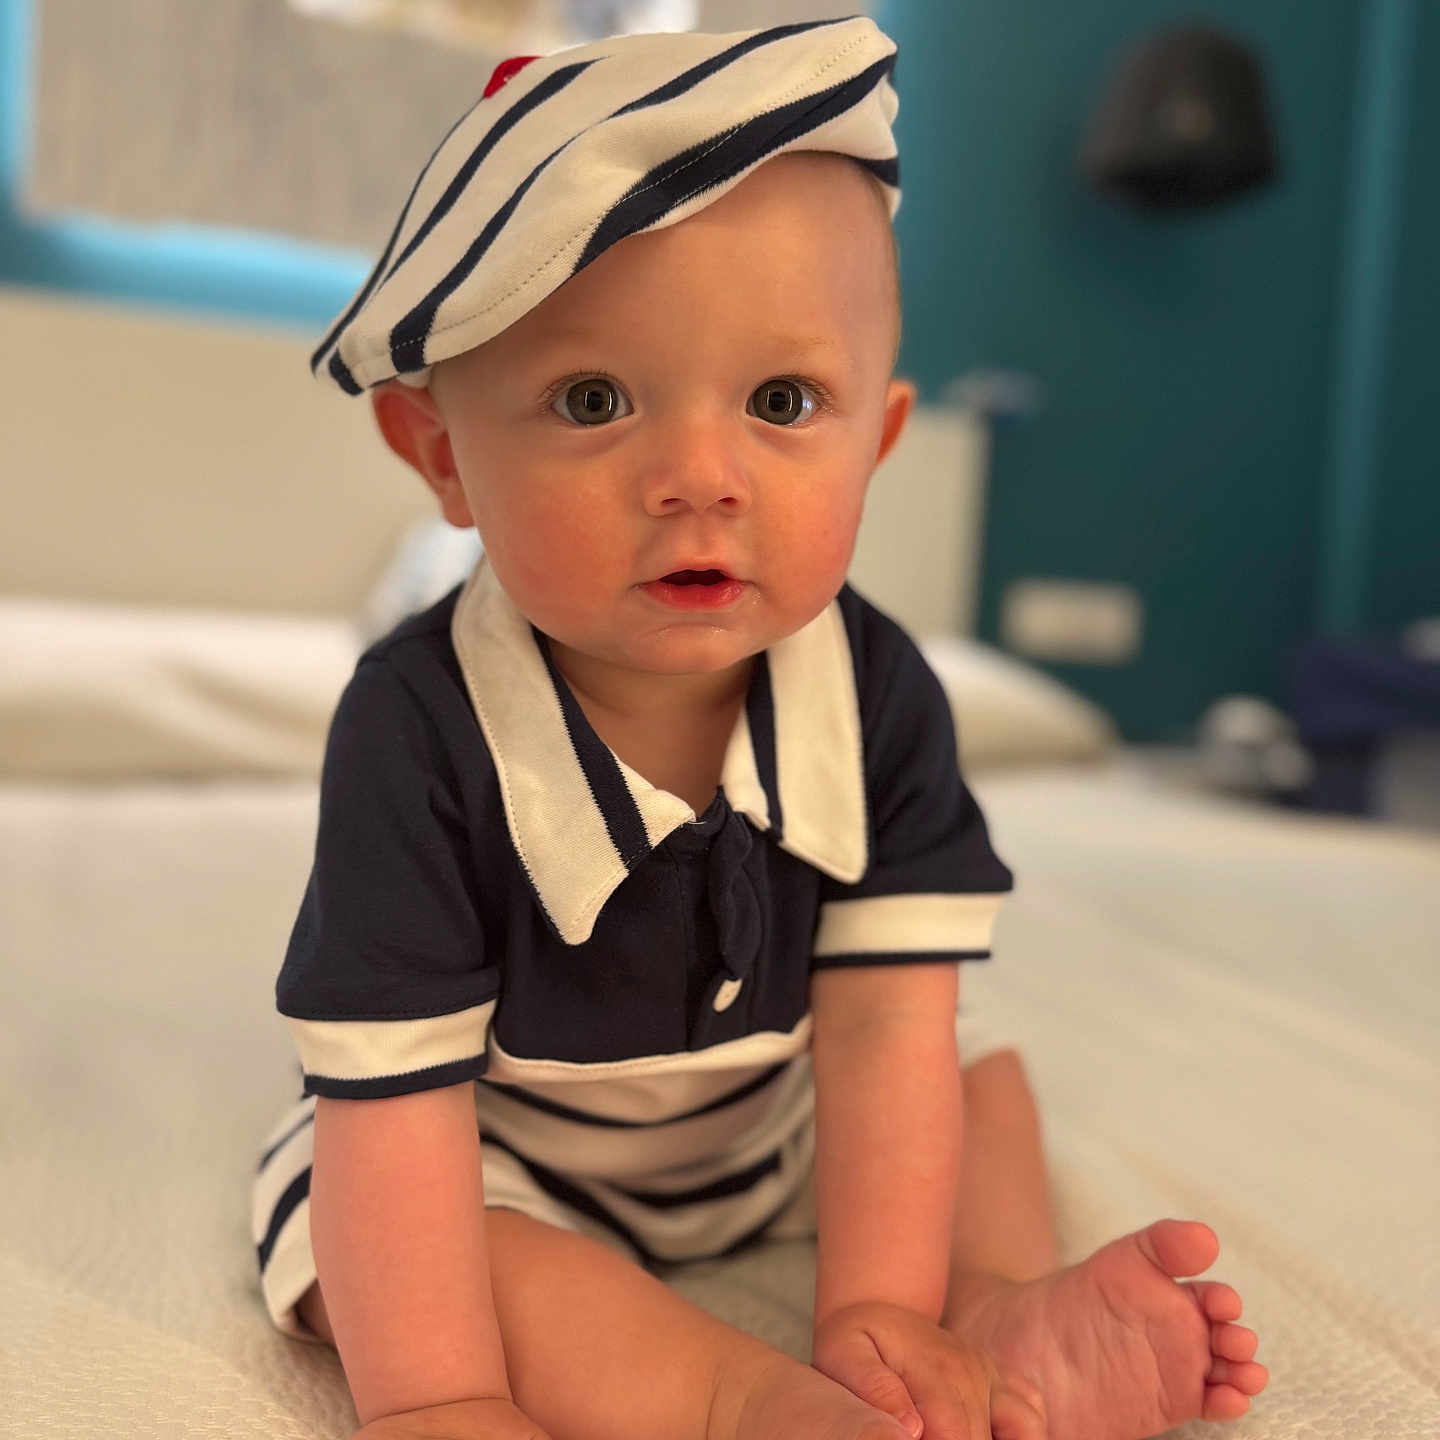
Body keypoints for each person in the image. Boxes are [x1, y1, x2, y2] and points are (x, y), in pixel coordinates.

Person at [250, 18, 1268, 1440]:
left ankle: (987, 1309)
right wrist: (438, 1395)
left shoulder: (880, 690)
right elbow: (399, 1098)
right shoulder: (418, 728)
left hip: (780, 1123)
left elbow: (883, 1021)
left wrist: (885, 1313)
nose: (699, 477)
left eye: (782, 402)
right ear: (443, 455)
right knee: (383, 1241)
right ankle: (736, 1398)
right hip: (504, 1146)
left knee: (974, 1077)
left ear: (877, 442)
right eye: (594, 400)